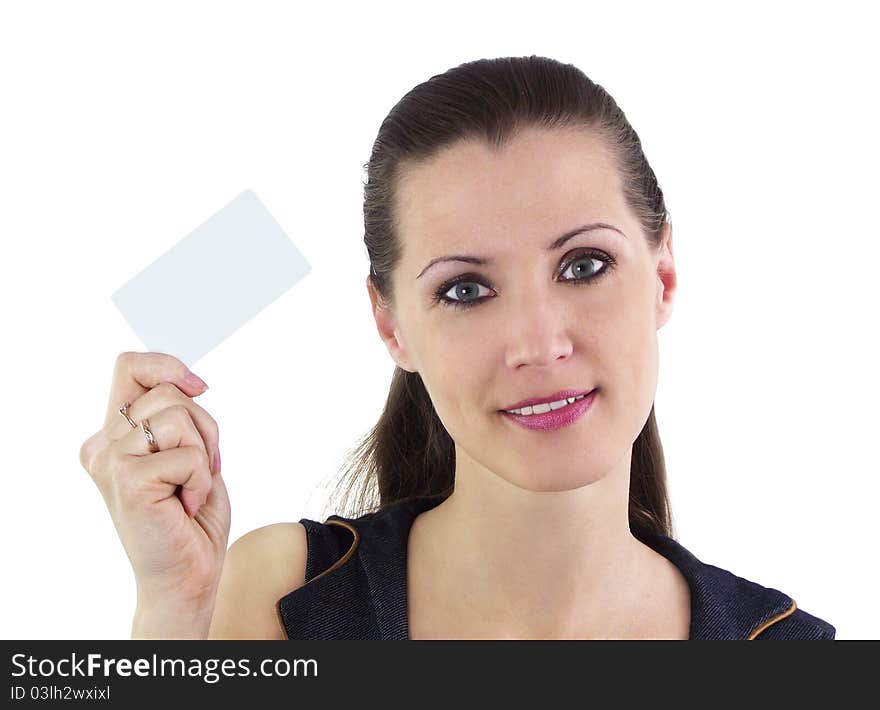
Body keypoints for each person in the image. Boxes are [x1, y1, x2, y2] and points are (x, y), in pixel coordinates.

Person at [80, 55, 835, 640]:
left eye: (584, 266)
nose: (539, 343)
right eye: (466, 289)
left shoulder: (783, 650)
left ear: (663, 275)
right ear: (390, 325)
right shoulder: (287, 596)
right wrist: (175, 610)